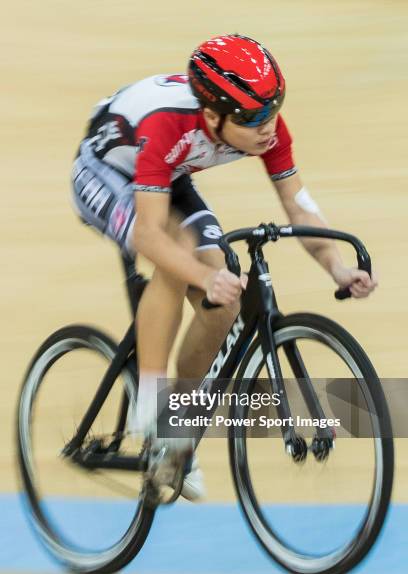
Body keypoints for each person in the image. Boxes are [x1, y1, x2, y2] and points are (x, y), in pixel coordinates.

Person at [71, 34, 377, 502]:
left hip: (166, 174)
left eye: (274, 109)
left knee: (222, 304)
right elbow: (151, 237)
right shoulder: (170, 124)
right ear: (212, 116)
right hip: (104, 171)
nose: (267, 127)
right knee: (177, 258)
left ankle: (179, 427)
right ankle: (151, 410)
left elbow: (299, 208)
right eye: (253, 118)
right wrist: (200, 274)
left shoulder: (265, 127)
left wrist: (335, 267)